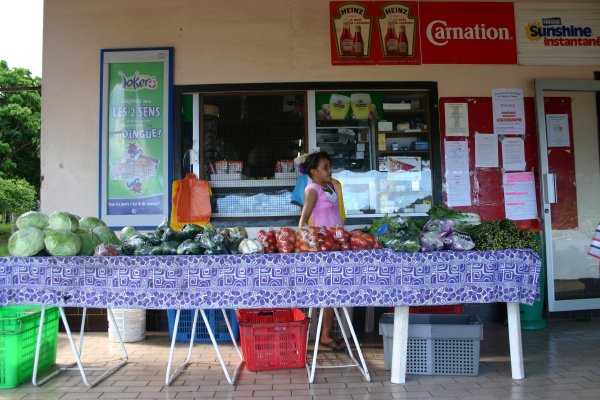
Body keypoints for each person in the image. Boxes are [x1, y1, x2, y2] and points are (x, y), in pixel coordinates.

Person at [298, 151, 345, 351]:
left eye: (329, 166)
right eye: (325, 167)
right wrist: (305, 243)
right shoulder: (313, 189)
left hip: (336, 244)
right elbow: (303, 220)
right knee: (324, 290)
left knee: (332, 289)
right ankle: (316, 334)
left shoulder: (333, 186)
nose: (329, 170)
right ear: (313, 171)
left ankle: (325, 334)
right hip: (321, 247)